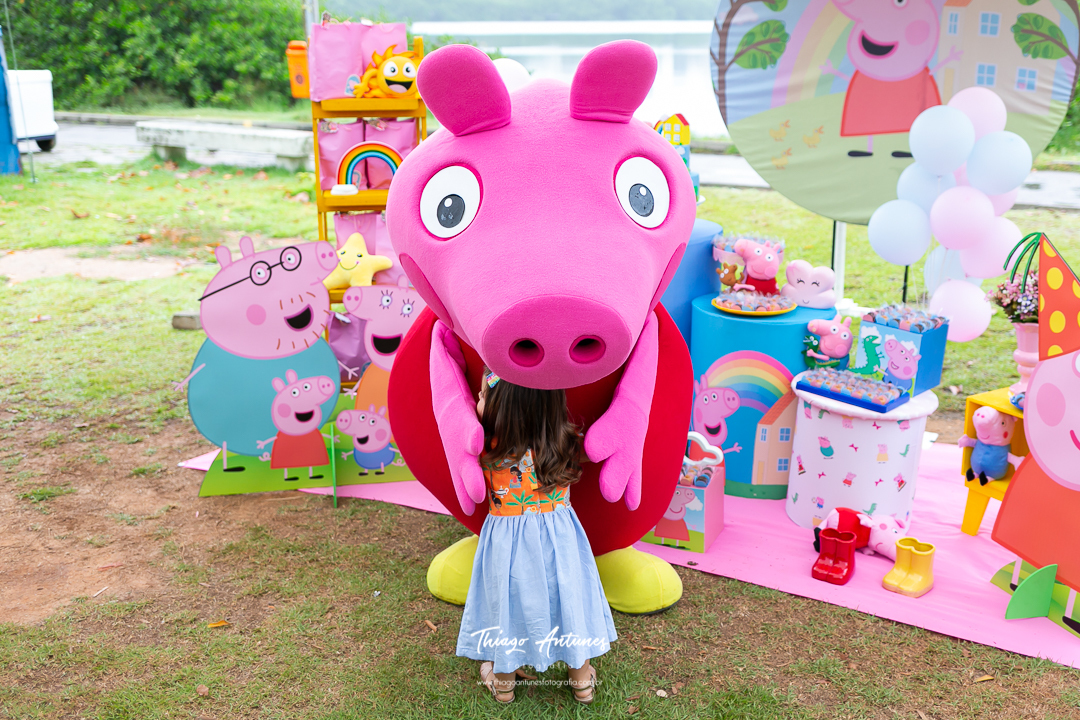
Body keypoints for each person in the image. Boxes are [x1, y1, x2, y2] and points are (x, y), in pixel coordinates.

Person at [456, 369, 618, 704]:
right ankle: (582, 682)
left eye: (484, 396)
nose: (477, 400)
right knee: (568, 601)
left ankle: (502, 684)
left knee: (507, 605)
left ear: (504, 408)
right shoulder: (563, 442)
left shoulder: (486, 448)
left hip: (507, 545)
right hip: (560, 543)